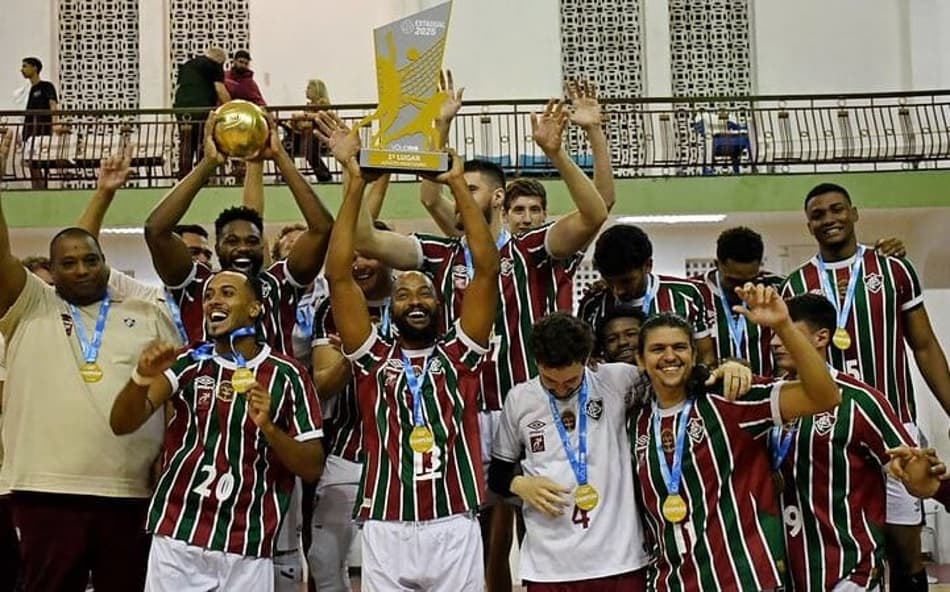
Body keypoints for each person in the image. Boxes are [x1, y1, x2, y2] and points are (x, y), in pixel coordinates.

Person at [319, 107, 499, 590]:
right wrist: (354, 182)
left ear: (442, 302)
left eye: (424, 293)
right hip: (386, 521)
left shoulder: (461, 354)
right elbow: (338, 274)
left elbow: (485, 270)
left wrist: (458, 184)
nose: (415, 300)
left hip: (454, 519)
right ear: (390, 307)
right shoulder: (372, 357)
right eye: (403, 294)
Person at [0, 133, 182, 591]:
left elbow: (172, 398)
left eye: (90, 260)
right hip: (46, 489)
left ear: (106, 262)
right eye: (68, 263)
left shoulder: (148, 313)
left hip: (129, 490)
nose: (81, 269)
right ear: (52, 270)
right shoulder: (31, 305)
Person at [109, 270, 324, 591]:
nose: (213, 302)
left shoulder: (288, 374)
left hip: (247, 542)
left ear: (255, 308)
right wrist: (141, 377)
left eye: (226, 293)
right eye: (208, 296)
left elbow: (312, 467)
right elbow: (122, 423)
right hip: (178, 531)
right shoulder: (188, 361)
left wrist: (269, 427)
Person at [781, 182, 950, 591]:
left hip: (895, 429)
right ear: (808, 226)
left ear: (854, 213)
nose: (829, 220)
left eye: (837, 210)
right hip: (828, 434)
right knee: (844, 539)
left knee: (905, 547)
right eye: (818, 215)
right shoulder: (795, 284)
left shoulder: (894, 270)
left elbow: (924, 346)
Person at [630, 284, 840, 591]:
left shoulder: (730, 397)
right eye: (658, 349)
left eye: (680, 347)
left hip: (744, 580)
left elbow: (824, 396)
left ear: (693, 354)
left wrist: (783, 326)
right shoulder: (635, 420)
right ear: (639, 359)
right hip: (671, 582)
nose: (670, 357)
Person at [144, 113, 334, 356]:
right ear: (218, 248)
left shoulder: (279, 284)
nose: (243, 248)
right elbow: (155, 230)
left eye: (252, 241)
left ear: (262, 247)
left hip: (270, 392)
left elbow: (322, 228)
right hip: (207, 391)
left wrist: (279, 157)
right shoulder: (197, 283)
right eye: (232, 241)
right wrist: (208, 163)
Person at [489, 313, 651, 590]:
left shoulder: (617, 380)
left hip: (620, 560)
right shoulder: (519, 399)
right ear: (537, 363)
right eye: (550, 381)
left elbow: (676, 381)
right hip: (549, 567)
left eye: (571, 381)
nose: (561, 389)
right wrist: (520, 484)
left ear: (588, 358)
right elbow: (497, 475)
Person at [769, 294, 915, 591]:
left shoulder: (860, 400)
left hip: (851, 571)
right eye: (773, 332)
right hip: (787, 571)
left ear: (822, 337)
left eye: (786, 332)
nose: (774, 341)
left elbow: (911, 470)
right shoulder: (769, 398)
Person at [307, 219, 394, 592]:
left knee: (396, 563)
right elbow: (322, 386)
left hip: (403, 454)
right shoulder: (331, 309)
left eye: (370, 254)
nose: (360, 263)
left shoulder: (415, 299)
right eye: (353, 255)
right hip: (348, 450)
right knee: (323, 560)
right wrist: (350, 357)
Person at [578, 224, 715, 365]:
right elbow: (585, 360)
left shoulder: (686, 295)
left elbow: (705, 356)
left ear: (648, 265)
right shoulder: (592, 304)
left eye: (626, 281)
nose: (618, 291)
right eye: (609, 281)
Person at [172, 47, 230, 178]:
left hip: (181, 109)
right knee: (203, 141)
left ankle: (184, 174)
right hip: (202, 108)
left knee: (186, 141)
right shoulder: (214, 66)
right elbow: (220, 90)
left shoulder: (188, 65)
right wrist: (231, 108)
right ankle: (203, 175)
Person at [20, 57, 65, 189]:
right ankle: (36, 189)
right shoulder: (30, 90)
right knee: (31, 164)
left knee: (38, 162)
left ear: (34, 68)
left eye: (25, 66)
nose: (22, 70)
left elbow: (53, 105)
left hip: (41, 132)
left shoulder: (46, 86)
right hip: (29, 132)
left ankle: (40, 189)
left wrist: (55, 124)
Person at [282, 79, 332, 182]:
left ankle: (324, 175)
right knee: (286, 144)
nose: (306, 90)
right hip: (306, 139)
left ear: (316, 90)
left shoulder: (323, 104)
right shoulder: (309, 106)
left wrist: (303, 116)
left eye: (309, 88)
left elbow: (321, 117)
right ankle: (289, 174)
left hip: (319, 140)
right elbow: (304, 124)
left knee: (308, 145)